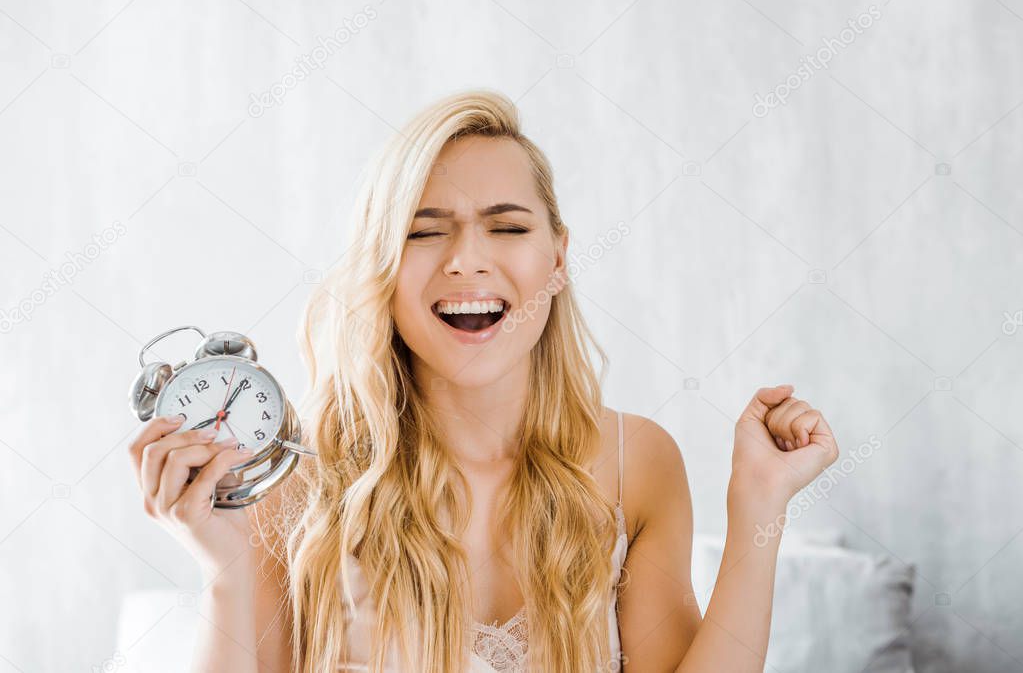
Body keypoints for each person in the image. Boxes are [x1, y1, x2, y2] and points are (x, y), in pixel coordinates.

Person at [127, 89, 839, 673]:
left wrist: (759, 507)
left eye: (505, 227)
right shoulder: (295, 481)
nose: (467, 260)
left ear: (557, 258)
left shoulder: (637, 462)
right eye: (424, 229)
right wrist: (223, 570)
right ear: (380, 267)